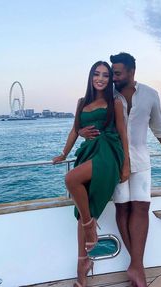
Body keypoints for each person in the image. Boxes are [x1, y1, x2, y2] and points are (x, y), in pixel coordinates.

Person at [79, 53, 161, 287]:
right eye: (112, 73)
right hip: (115, 160)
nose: (113, 77)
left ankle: (136, 266)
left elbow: (158, 125)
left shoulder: (151, 94)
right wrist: (82, 132)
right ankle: (137, 267)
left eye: (117, 73)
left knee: (141, 207)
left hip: (142, 160)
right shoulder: (108, 96)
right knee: (122, 209)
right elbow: (87, 118)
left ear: (132, 72)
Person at [53, 61, 130, 287]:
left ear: (109, 79)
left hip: (108, 154)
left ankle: (90, 230)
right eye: (97, 74)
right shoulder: (81, 102)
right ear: (90, 77)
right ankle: (82, 272)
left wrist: (126, 165)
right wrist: (64, 153)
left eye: (105, 75)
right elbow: (75, 130)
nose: (101, 78)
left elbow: (123, 134)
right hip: (88, 153)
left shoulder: (114, 102)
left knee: (71, 178)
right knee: (81, 212)